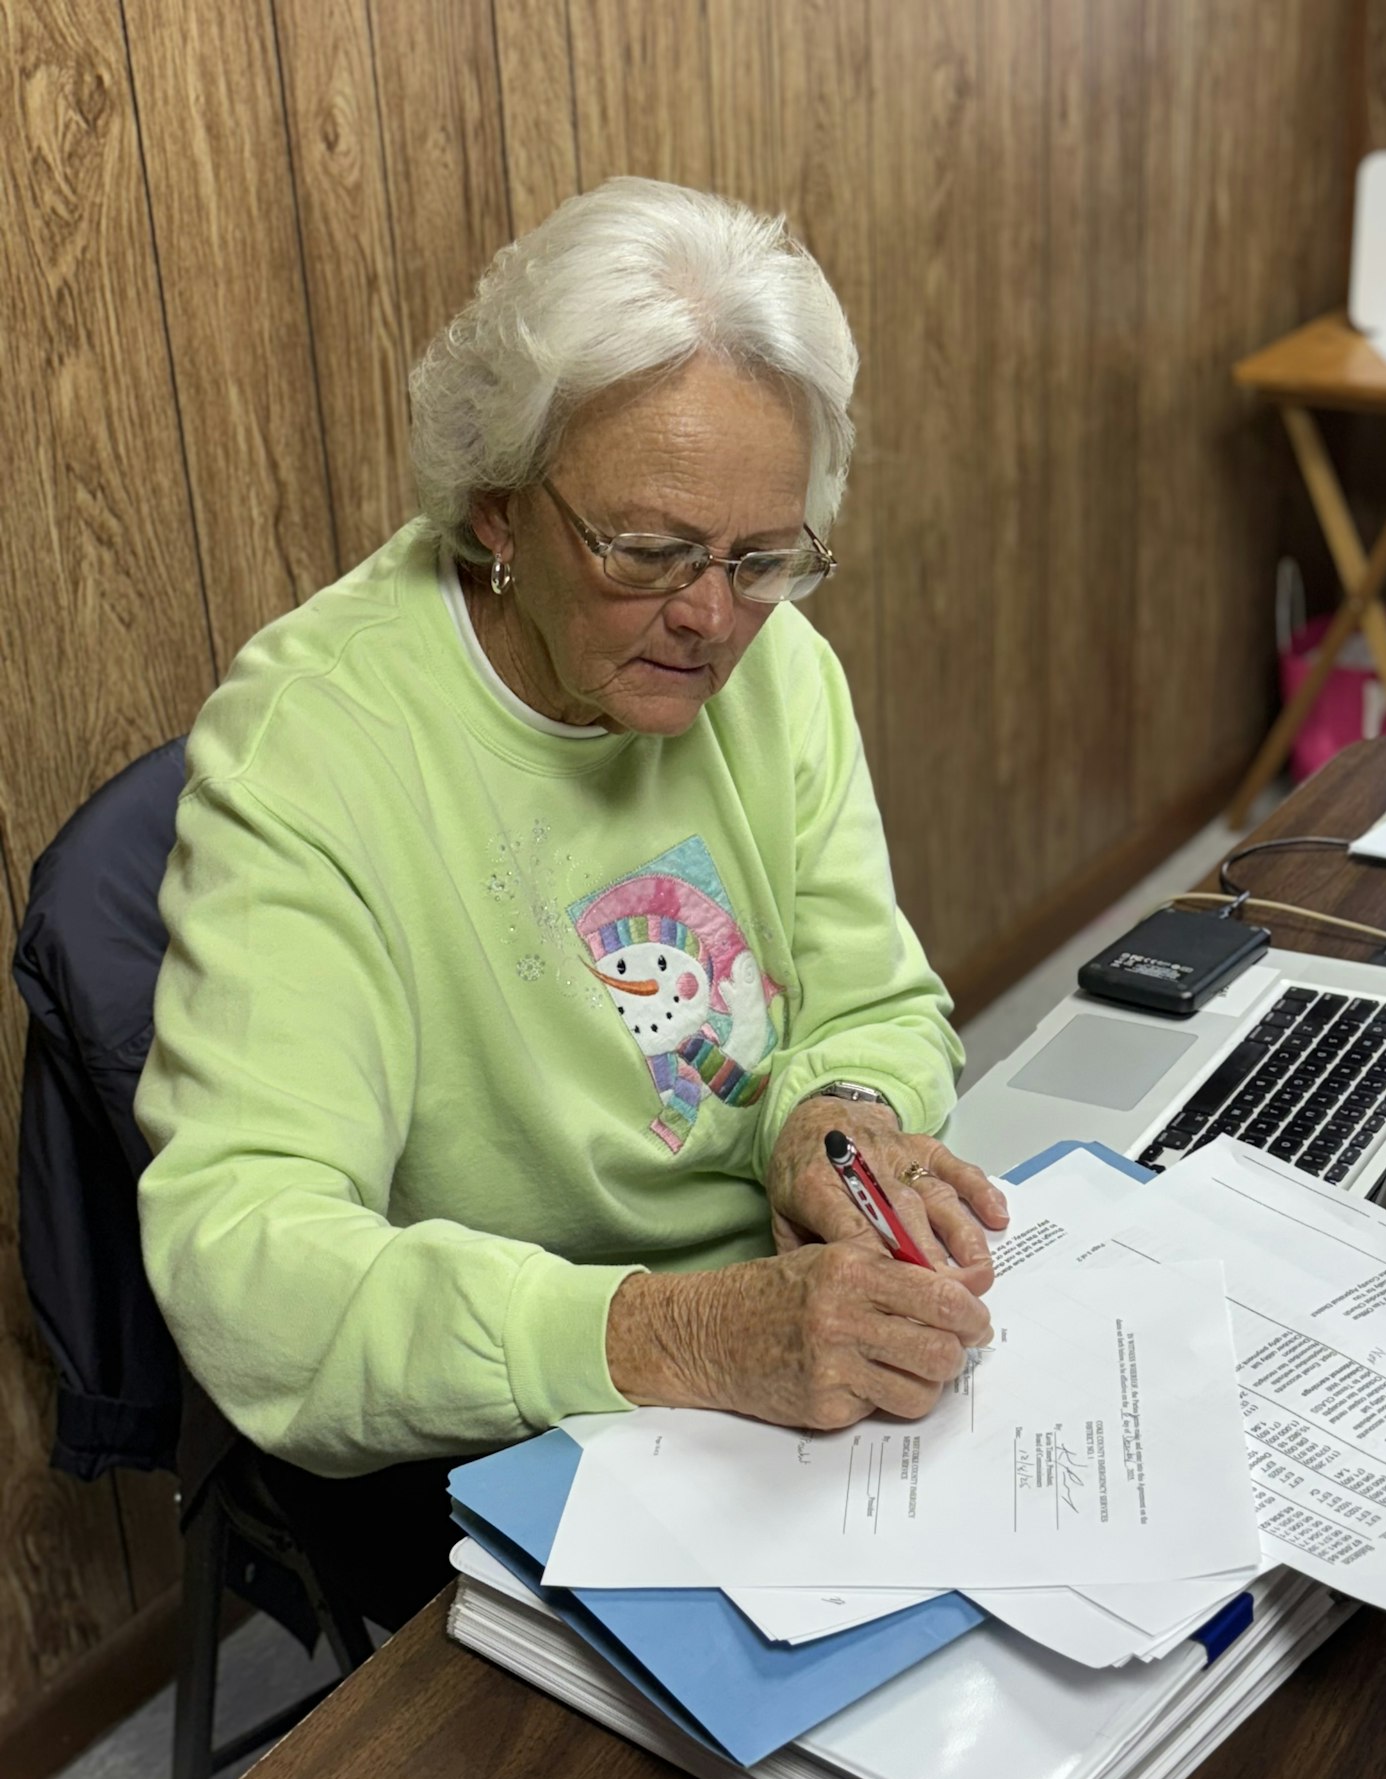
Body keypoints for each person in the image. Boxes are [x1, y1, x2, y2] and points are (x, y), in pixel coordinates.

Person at [135, 178, 1009, 1627]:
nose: (712, 617)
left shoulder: (775, 662)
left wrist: (837, 1117)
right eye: (647, 551)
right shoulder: (314, 750)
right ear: (497, 508)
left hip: (785, 1344)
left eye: (760, 558)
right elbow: (248, 1267)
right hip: (513, 1408)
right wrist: (671, 1334)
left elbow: (872, 994)